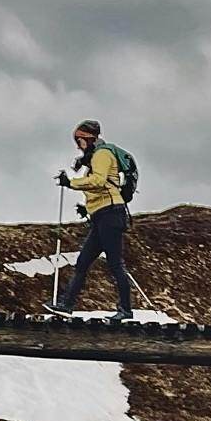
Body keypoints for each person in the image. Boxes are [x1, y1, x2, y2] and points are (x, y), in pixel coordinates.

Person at [53, 120, 133, 321]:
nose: (77, 145)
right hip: (103, 215)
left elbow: (98, 182)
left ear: (87, 139)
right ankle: (66, 304)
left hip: (110, 214)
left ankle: (126, 309)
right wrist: (88, 208)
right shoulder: (96, 157)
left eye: (78, 140)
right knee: (83, 262)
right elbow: (100, 186)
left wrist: (71, 183)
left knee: (114, 263)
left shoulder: (102, 155)